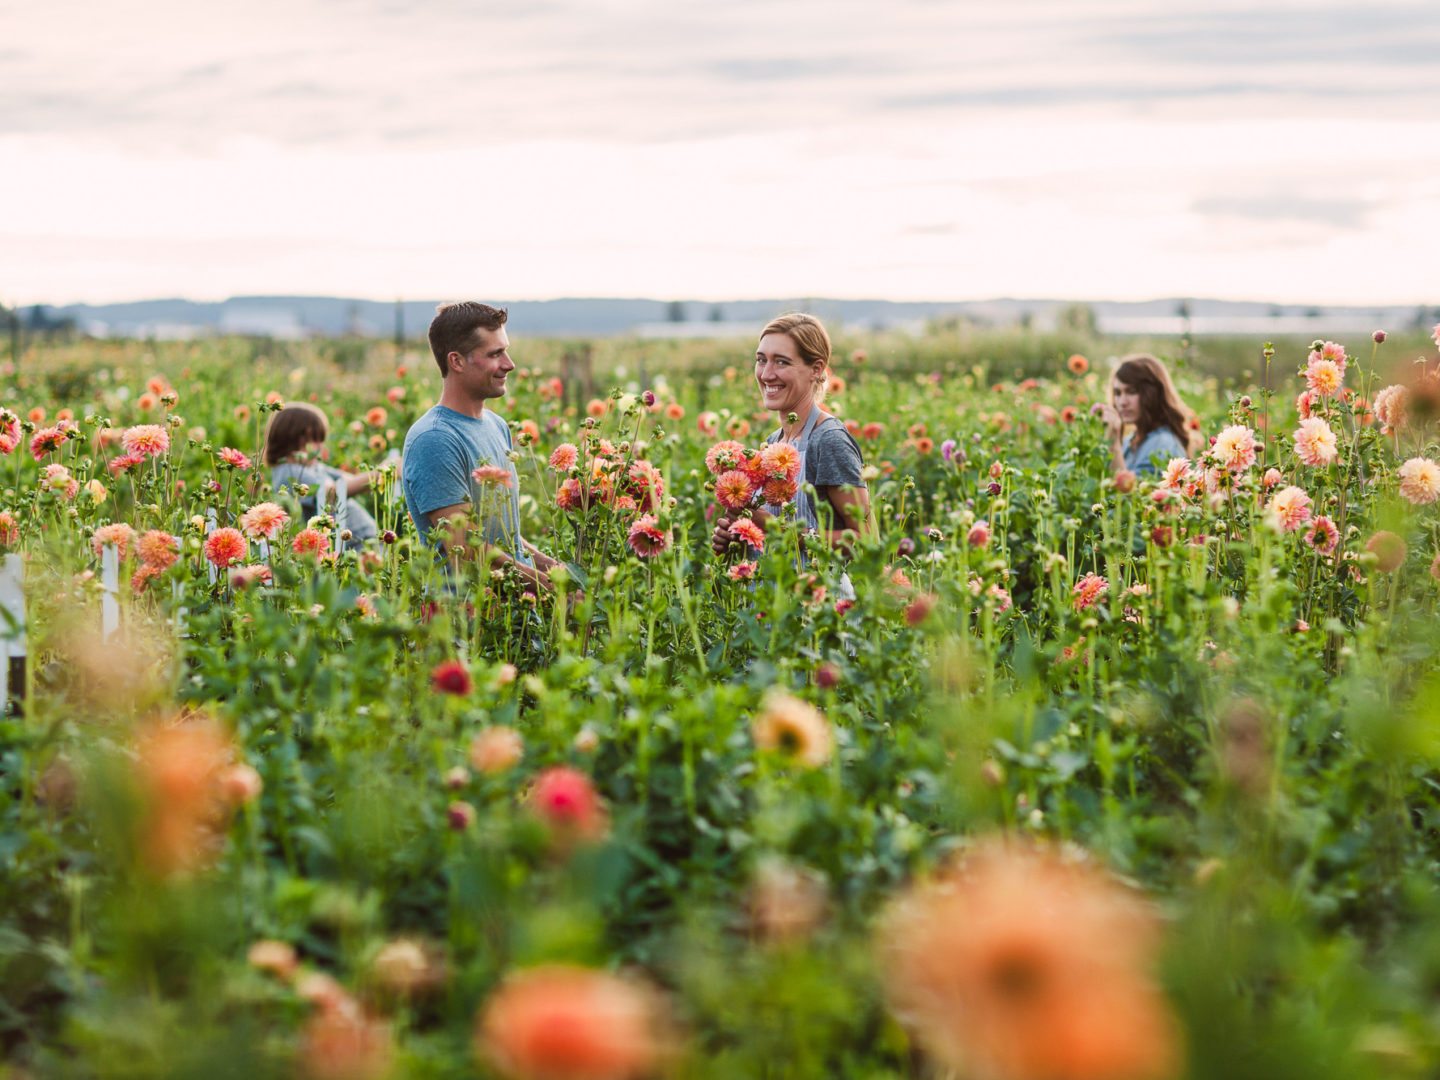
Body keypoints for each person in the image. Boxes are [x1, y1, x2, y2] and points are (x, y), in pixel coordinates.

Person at [402, 302, 559, 593]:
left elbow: (502, 535)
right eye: (495, 354)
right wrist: (547, 587)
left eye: (506, 350)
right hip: (466, 625)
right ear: (457, 361)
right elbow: (465, 549)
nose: (509, 364)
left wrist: (555, 570)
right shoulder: (435, 438)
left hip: (515, 615)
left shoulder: (496, 425)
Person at [711, 312, 872, 558]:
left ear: (816, 369)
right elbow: (770, 536)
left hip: (820, 594)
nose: (766, 374)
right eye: (761, 360)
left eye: (782, 362)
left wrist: (777, 529)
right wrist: (740, 536)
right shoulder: (775, 442)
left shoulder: (828, 440)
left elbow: (865, 540)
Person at [263, 402, 379, 548]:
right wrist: (379, 474)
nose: (320, 447)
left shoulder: (314, 467)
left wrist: (373, 476)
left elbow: (349, 481)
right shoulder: (289, 471)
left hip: (362, 540)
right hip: (352, 547)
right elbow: (331, 493)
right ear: (292, 439)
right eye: (315, 440)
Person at [1095, 353, 1203, 477]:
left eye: (1131, 392)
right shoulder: (1131, 440)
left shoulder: (1163, 443)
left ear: (1152, 393)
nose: (1122, 402)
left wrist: (1113, 443)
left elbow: (1133, 494)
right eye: (1118, 393)